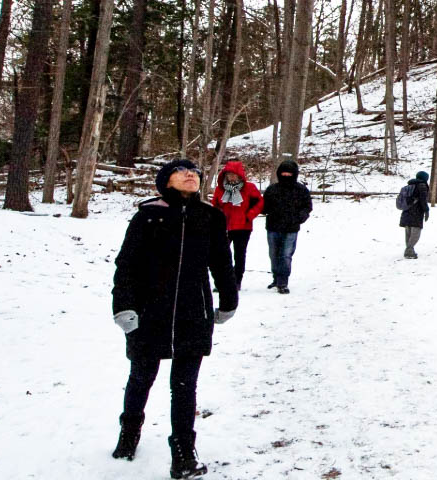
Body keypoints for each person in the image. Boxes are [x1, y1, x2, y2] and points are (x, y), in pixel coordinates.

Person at [109, 160, 238, 479]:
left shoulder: (210, 217)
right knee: (142, 376)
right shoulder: (147, 216)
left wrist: (228, 300)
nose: (190, 175)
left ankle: (183, 452)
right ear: (166, 181)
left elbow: (222, 263)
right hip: (149, 313)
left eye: (194, 172)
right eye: (182, 172)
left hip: (194, 313)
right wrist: (123, 307)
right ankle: (129, 431)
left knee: (184, 385)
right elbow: (126, 265)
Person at [261, 161, 313, 294]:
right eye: (284, 172)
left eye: (289, 173)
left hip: (291, 228)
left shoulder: (301, 190)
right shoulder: (272, 189)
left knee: (285, 255)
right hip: (273, 227)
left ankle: (283, 281)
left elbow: (307, 206)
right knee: (273, 254)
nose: (286, 175)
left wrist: (300, 217)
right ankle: (276, 277)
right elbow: (264, 206)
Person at [211, 161, 264, 290]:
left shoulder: (250, 188)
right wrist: (217, 219)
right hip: (224, 227)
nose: (231, 177)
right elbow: (215, 205)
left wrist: (249, 216)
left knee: (239, 255)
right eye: (229, 174)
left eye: (234, 175)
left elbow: (259, 203)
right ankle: (222, 281)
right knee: (221, 255)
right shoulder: (220, 189)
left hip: (243, 227)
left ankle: (237, 281)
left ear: (240, 175)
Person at [396, 171, 432, 259]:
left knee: (408, 231)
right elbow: (423, 200)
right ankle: (409, 250)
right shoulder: (422, 186)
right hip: (416, 212)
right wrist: (426, 210)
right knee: (416, 232)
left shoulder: (409, 186)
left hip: (406, 211)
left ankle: (409, 249)